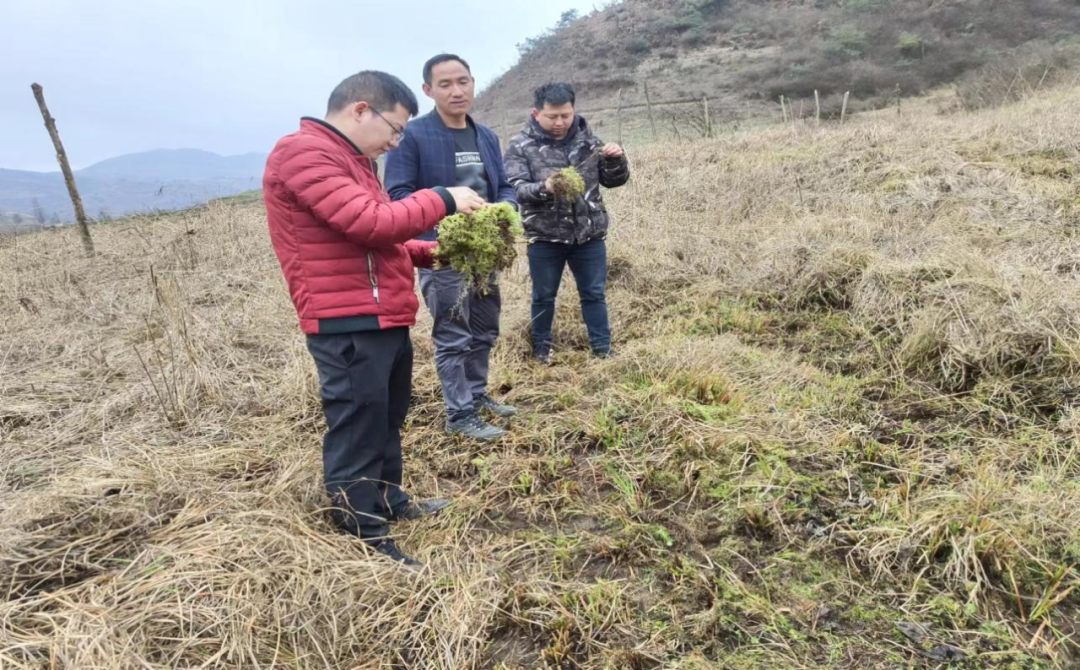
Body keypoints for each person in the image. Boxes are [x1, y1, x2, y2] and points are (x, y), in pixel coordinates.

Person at [263, 70, 486, 566]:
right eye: (395, 127)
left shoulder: (352, 160)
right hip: (346, 318)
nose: (395, 140)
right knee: (358, 424)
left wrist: (433, 253)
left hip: (381, 312)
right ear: (361, 110)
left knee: (387, 416)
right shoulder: (302, 153)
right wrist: (444, 198)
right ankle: (362, 528)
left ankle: (388, 498)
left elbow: (376, 237)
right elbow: (369, 222)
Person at [386, 54, 517, 442]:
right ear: (428, 90)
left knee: (484, 329)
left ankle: (477, 396)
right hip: (440, 253)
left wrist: (504, 209)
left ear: (474, 83)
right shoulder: (413, 136)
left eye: (463, 81)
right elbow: (398, 195)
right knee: (453, 334)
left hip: (486, 252)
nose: (456, 91)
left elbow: (505, 187)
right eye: (445, 84)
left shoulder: (487, 136)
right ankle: (459, 414)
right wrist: (446, 214)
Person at [503, 82, 630, 365]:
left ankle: (602, 349)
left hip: (588, 235)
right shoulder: (520, 147)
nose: (559, 122)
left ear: (573, 111)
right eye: (552, 116)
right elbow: (516, 190)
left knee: (594, 293)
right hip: (545, 236)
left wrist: (615, 159)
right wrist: (545, 187)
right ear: (537, 114)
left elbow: (614, 181)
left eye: (565, 115)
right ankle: (541, 350)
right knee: (544, 295)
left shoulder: (589, 143)